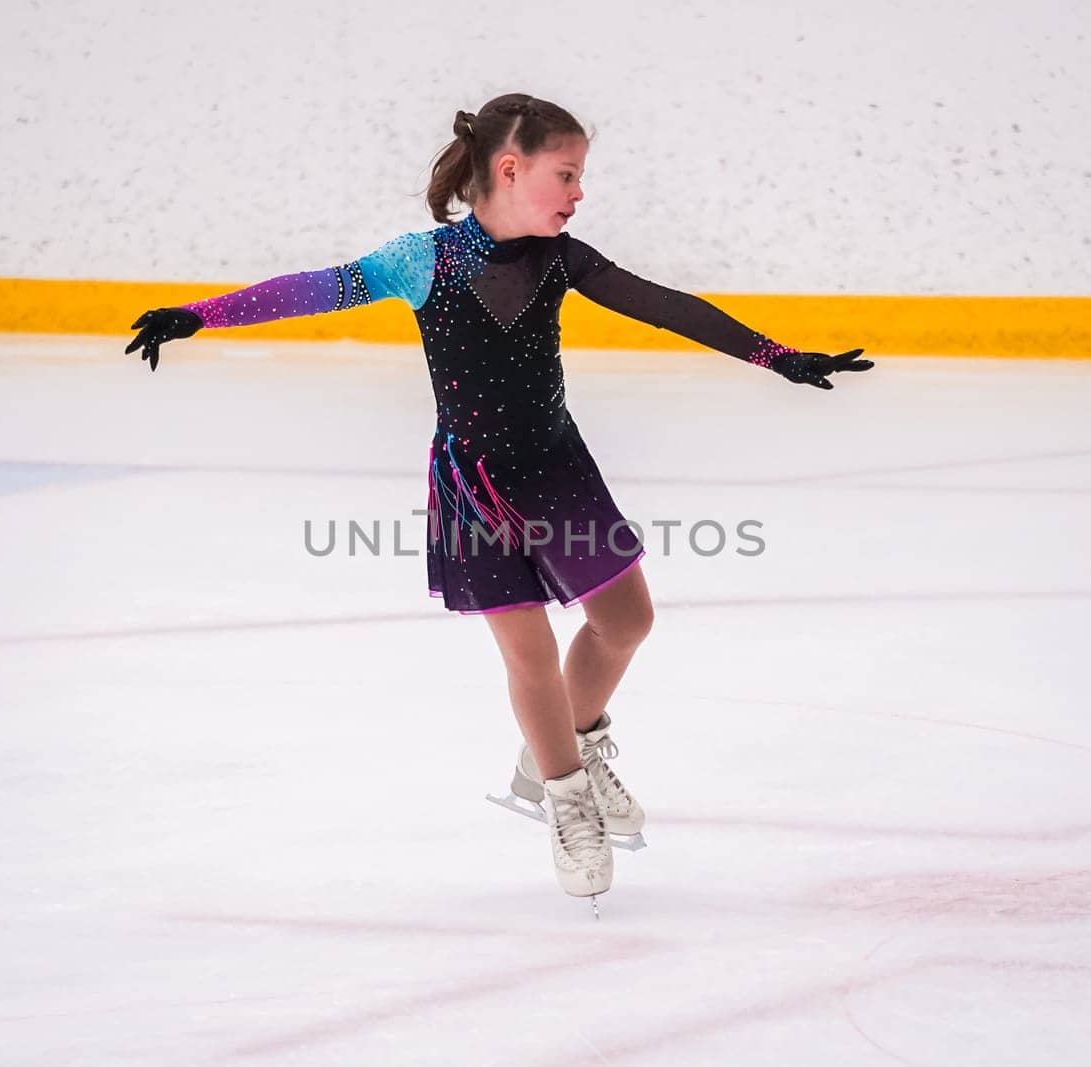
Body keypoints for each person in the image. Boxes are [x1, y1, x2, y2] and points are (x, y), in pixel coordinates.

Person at [125, 93, 872, 906]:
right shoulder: (426, 261)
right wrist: (199, 315)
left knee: (626, 621)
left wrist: (779, 356)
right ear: (510, 170)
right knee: (531, 655)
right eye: (567, 175)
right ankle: (564, 798)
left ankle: (559, 747)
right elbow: (315, 288)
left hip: (557, 466)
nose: (578, 194)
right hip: (475, 484)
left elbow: (667, 307)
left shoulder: (563, 257)